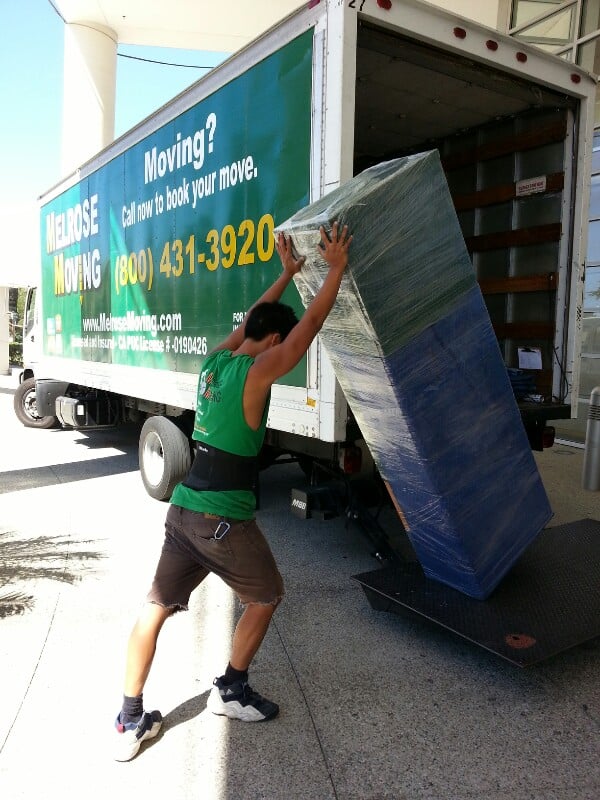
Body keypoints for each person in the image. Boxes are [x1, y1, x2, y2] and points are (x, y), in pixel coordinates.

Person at [114, 221, 352, 761]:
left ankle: (129, 720)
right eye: (275, 343)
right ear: (270, 342)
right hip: (221, 521)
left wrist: (287, 273)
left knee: (155, 607)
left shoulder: (215, 364)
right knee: (266, 596)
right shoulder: (254, 369)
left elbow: (255, 321)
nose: (278, 353)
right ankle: (230, 688)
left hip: (182, 512)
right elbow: (305, 329)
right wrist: (333, 269)